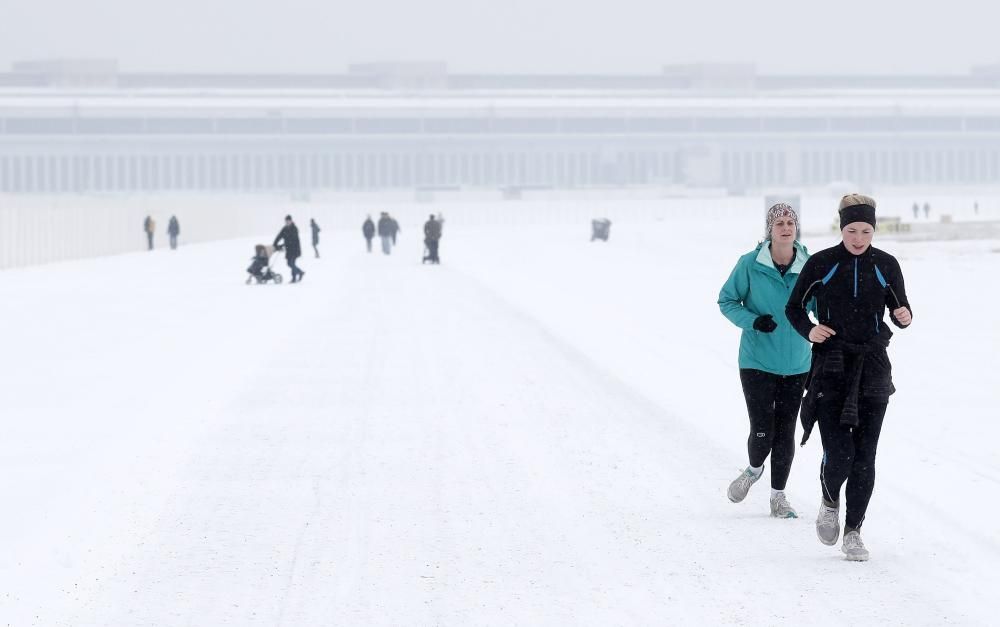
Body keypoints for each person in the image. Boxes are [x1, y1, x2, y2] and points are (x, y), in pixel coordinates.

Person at [786, 193, 912, 562]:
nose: (859, 238)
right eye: (852, 230)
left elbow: (900, 307)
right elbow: (794, 307)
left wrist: (904, 317)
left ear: (874, 231)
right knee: (839, 453)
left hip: (873, 366)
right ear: (842, 229)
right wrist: (809, 331)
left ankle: (854, 532)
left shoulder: (885, 264)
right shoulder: (823, 263)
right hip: (831, 366)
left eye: (866, 231)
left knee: (865, 457)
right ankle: (829, 502)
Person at [719, 203, 812, 518]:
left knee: (786, 431)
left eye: (790, 222)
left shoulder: (809, 265)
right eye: (779, 223)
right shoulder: (749, 264)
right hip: (757, 360)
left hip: (798, 362)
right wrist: (754, 321)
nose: (786, 228)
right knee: (762, 429)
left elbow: (820, 304)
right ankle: (754, 469)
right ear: (769, 230)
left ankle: (778, 497)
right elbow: (727, 300)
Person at [273, 214, 305, 283]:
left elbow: (292, 239)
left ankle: (295, 277)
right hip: (289, 249)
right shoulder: (284, 228)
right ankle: (300, 273)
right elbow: (279, 236)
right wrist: (275, 243)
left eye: (288, 221)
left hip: (295, 249)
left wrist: (284, 244)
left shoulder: (294, 228)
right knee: (289, 263)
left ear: (291, 221)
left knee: (291, 263)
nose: (287, 222)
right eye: (286, 221)